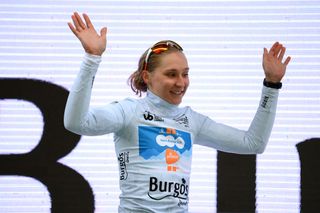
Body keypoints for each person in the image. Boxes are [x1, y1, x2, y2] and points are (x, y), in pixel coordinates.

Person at [64, 12, 291, 213]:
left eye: (185, 74)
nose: (181, 82)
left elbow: (253, 143)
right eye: (171, 74)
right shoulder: (129, 111)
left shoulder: (191, 121)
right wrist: (92, 59)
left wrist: (271, 85)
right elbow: (76, 123)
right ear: (147, 77)